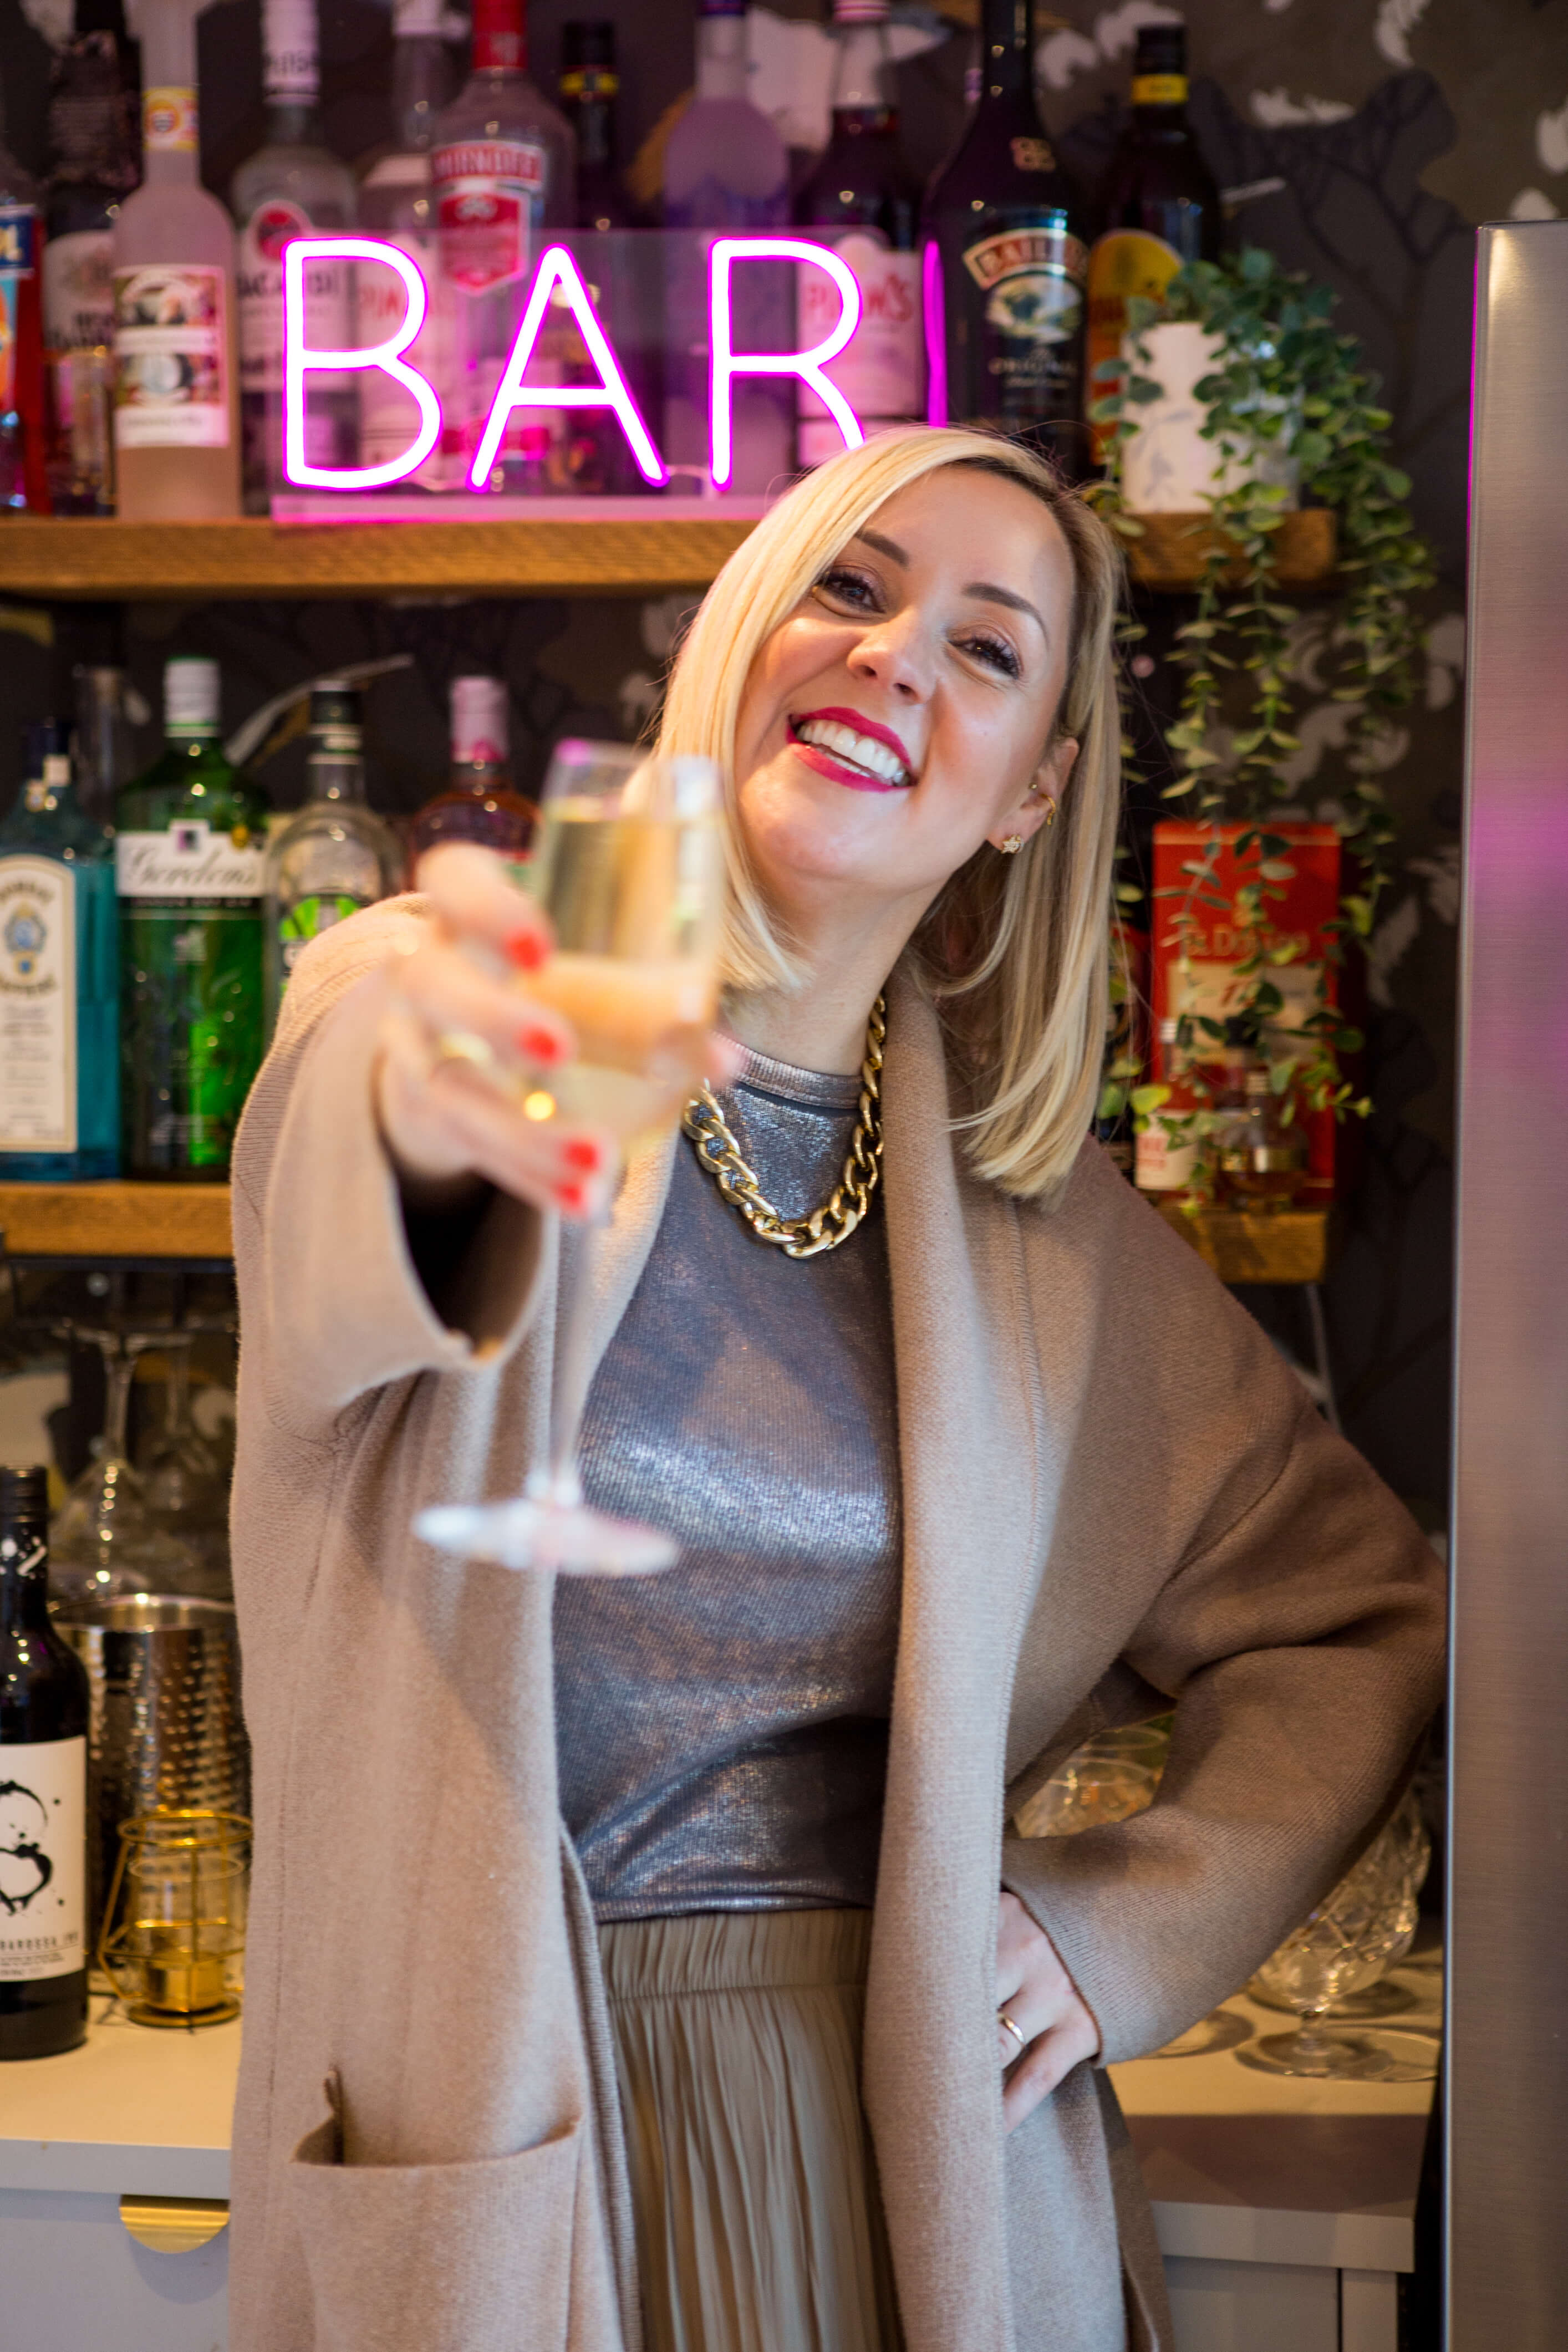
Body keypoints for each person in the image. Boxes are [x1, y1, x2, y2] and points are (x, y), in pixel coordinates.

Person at [227, 426, 1444, 2352]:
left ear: (1037, 787)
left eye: (985, 647)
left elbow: (1357, 1608)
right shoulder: (421, 994)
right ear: (746, 637)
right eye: (855, 589)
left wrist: (1125, 1920)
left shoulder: (1035, 1230)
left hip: (916, 2142)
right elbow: (352, 1245)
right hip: (510, 2126)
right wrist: (452, 1097)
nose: (891, 657)